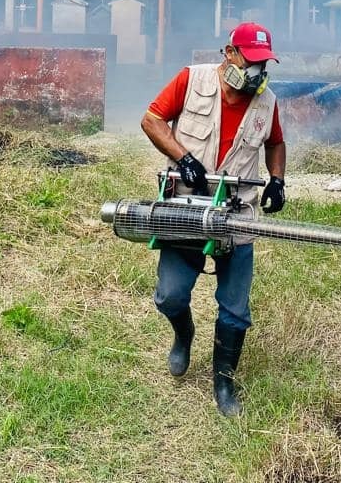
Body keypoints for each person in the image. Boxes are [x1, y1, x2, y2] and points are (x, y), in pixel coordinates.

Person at [139, 21, 286, 417]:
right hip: (186, 208)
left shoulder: (266, 101)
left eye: (263, 63)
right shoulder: (192, 80)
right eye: (251, 61)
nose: (256, 71)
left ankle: (224, 383)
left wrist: (277, 179)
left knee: (235, 309)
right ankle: (183, 333)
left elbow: (275, 142)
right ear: (229, 53)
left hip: (237, 213)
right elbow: (151, 120)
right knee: (170, 294)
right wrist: (183, 157)